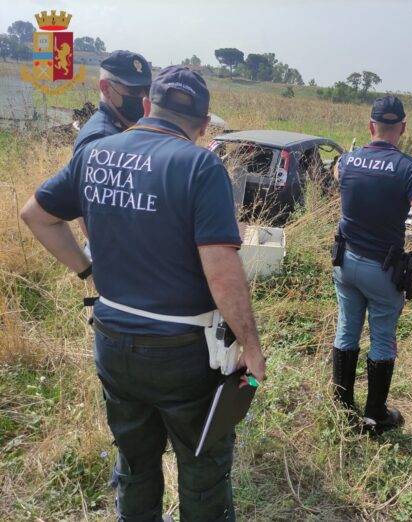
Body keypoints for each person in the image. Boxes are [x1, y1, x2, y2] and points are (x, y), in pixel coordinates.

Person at [21, 66, 265, 522]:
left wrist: (88, 270)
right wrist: (251, 346)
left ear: (148, 105)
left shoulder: (95, 153)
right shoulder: (200, 166)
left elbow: (36, 215)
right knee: (202, 467)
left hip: (112, 341)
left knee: (135, 462)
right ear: (204, 124)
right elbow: (221, 269)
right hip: (183, 353)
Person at [331, 96, 412, 433]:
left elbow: (338, 174)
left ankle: (342, 409)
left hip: (345, 262)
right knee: (381, 339)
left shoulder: (347, 161)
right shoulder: (410, 169)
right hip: (382, 268)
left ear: (370, 126)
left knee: (347, 329)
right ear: (402, 128)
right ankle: (375, 415)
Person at [73, 50, 152, 242]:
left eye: (147, 90)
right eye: (134, 91)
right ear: (106, 88)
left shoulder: (123, 127)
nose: (143, 97)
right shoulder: (99, 139)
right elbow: (85, 210)